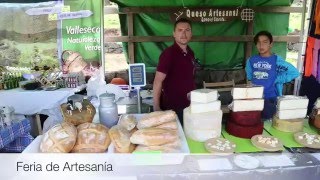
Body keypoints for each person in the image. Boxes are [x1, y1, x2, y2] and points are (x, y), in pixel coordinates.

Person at [246, 30, 299, 120]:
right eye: (258, 43)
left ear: (271, 44)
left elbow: (294, 72)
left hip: (270, 98)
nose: (261, 45)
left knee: (267, 122)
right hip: (254, 98)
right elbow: (250, 77)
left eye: (265, 42)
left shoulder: (276, 60)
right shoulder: (251, 60)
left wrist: (277, 79)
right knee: (254, 122)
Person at [153, 18, 196, 123]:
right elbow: (158, 81)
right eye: (180, 30)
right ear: (174, 34)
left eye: (187, 30)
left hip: (189, 106)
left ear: (191, 33)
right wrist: (156, 107)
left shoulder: (191, 53)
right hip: (172, 108)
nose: (183, 34)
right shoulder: (168, 54)